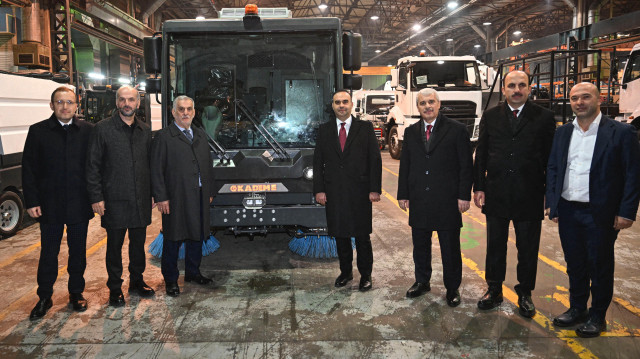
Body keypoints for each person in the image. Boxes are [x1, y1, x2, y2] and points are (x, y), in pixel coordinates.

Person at [546, 82, 640, 338]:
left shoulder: (621, 132)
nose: (579, 102)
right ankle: (578, 308)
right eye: (574, 98)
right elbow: (554, 167)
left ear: (599, 99)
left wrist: (627, 211)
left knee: (599, 264)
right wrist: (552, 203)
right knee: (574, 264)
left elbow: (633, 174)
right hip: (568, 209)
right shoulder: (563, 132)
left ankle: (598, 315)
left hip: (601, 212)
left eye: (585, 97)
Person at [473, 70, 556, 318]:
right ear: (505, 89)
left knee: (528, 248)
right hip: (497, 192)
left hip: (530, 193)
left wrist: (549, 194)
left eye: (522, 85)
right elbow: (481, 155)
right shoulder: (490, 116)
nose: (516, 90)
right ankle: (494, 289)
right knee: (495, 246)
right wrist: (479, 187)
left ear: (529, 88)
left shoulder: (544, 117)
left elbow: (552, 160)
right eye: (512, 85)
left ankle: (525, 293)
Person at [22, 87, 94, 320]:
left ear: (77, 106)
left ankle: (76, 293)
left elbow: (95, 168)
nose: (65, 106)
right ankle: (44, 296)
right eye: (60, 102)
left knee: (78, 253)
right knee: (48, 253)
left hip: (79, 204)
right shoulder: (38, 131)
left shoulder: (87, 131)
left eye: (69, 102)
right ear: (51, 105)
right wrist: (31, 200)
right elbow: (29, 169)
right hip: (49, 205)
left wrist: (96, 198)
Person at [397, 88, 473, 306]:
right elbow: (406, 166)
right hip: (420, 199)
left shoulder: (457, 130)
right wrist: (403, 194)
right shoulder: (411, 132)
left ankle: (452, 288)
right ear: (417, 106)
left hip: (447, 200)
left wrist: (463, 195)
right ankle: (422, 282)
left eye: (431, 102)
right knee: (420, 245)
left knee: (450, 247)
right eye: (423, 103)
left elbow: (466, 165)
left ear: (439, 104)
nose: (427, 106)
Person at [86, 85, 155, 307]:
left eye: (131, 100)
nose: (127, 104)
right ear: (117, 103)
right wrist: (96, 197)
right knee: (114, 247)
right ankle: (115, 288)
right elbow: (92, 166)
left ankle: (137, 280)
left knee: (138, 244)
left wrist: (153, 193)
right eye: (123, 100)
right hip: (114, 200)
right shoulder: (102, 129)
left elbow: (151, 166)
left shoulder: (145, 130)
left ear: (138, 103)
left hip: (140, 199)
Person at [313, 90, 382, 291]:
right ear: (332, 106)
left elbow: (375, 160)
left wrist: (374, 189)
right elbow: (318, 163)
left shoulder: (365, 128)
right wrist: (319, 190)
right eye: (337, 102)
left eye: (345, 102)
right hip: (334, 192)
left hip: (360, 192)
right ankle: (346, 272)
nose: (341, 105)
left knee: (362, 236)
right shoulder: (324, 130)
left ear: (352, 105)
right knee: (340, 235)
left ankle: (366, 275)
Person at [150, 95, 215, 297]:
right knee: (173, 238)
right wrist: (161, 197)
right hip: (175, 197)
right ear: (173, 112)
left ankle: (193, 272)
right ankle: (170, 279)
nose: (185, 113)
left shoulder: (200, 135)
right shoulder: (163, 137)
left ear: (194, 112)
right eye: (181, 109)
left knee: (197, 235)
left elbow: (207, 166)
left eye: (189, 109)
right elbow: (156, 169)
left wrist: (210, 191)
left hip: (199, 195)